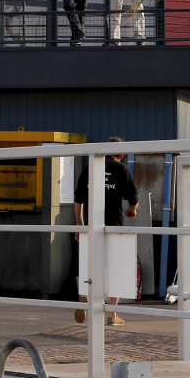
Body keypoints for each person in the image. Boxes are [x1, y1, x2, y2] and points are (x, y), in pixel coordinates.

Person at [72, 138, 139, 325]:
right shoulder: (122, 169)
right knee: (115, 267)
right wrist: (132, 209)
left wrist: (80, 225)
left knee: (93, 264)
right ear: (122, 154)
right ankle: (112, 315)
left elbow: (78, 201)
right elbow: (133, 197)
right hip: (113, 225)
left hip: (91, 225)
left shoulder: (89, 167)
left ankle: (89, 296)